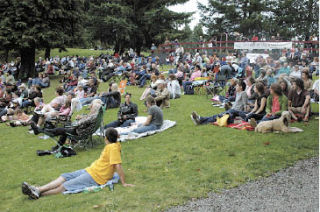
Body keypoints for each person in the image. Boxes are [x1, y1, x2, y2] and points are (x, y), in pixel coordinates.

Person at [21, 128, 134, 200]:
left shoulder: (113, 148)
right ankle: (38, 189)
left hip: (96, 177)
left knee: (66, 186)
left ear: (106, 138)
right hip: (91, 170)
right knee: (65, 176)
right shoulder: (114, 144)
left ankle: (38, 193)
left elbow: (117, 165)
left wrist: (123, 182)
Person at [31, 99, 103, 149]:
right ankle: (58, 146)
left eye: (92, 106)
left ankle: (40, 130)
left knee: (61, 130)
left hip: (79, 133)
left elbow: (78, 124)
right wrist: (82, 118)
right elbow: (85, 121)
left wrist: (78, 120)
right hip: (82, 131)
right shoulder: (94, 116)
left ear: (95, 108)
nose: (91, 108)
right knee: (63, 131)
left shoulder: (91, 117)